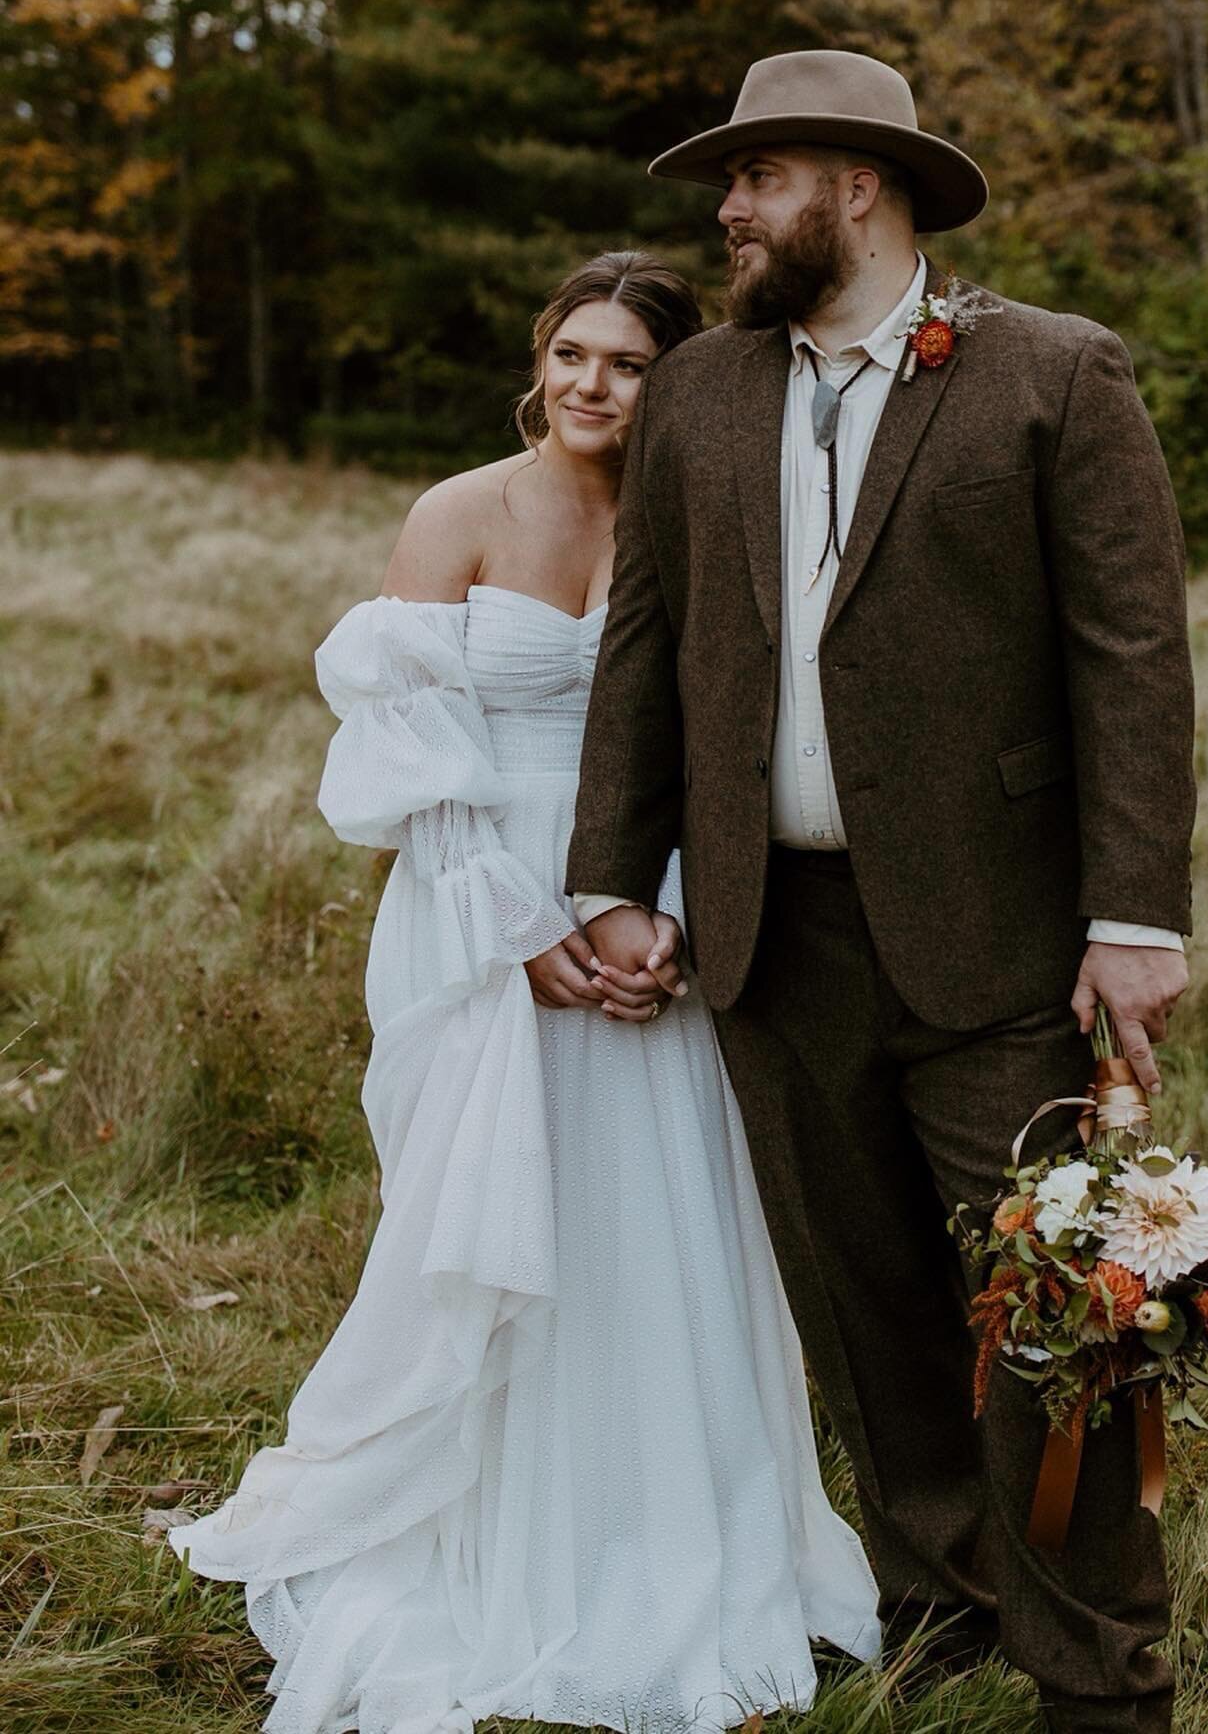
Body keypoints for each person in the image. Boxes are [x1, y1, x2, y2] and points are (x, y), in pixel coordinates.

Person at [567, 52, 1196, 1734]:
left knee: (1063, 1314)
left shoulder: (1055, 374)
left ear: (856, 181)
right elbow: (647, 650)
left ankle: (1100, 1673)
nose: (726, 208)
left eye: (754, 175)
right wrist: (612, 879)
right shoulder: (698, 389)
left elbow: (1131, 658)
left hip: (1004, 942)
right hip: (774, 939)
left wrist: (1134, 913)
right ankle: (942, 1600)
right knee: (864, 1301)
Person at [170, 249, 881, 1734]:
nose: (590, 386)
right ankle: (474, 1519)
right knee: (488, 1212)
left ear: (670, 379)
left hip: (657, 902)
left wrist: (663, 916)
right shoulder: (457, 515)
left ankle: (669, 1533)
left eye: (626, 364)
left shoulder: (703, 522)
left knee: (666, 1207)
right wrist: (517, 930)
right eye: (572, 355)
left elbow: (734, 742)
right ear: (541, 361)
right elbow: (402, 754)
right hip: (473, 887)